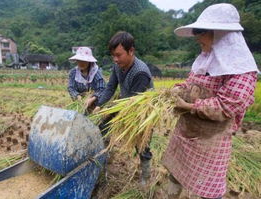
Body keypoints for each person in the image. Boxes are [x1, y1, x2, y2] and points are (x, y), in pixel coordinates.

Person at [162, 3, 259, 199]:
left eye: (202, 35)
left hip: (210, 142)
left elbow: (225, 106)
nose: (198, 39)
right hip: (186, 132)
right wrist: (179, 90)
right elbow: (191, 83)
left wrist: (188, 106)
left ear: (221, 35)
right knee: (175, 174)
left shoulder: (242, 71)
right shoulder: (205, 58)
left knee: (209, 189)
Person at [86, 31, 154, 185]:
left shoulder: (141, 72)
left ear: (131, 51)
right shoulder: (118, 66)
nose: (115, 59)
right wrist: (99, 106)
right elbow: (110, 88)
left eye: (119, 55)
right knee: (102, 127)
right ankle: (103, 158)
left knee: (142, 144)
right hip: (124, 102)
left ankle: (146, 175)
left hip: (142, 111)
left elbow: (131, 101)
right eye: (113, 55)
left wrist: (111, 111)